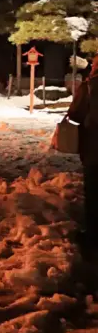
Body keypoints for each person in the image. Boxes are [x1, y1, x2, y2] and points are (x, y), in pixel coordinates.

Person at [68, 54, 98, 249]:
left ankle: (93, 236)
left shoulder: (89, 87)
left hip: (94, 149)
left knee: (94, 193)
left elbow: (75, 114)